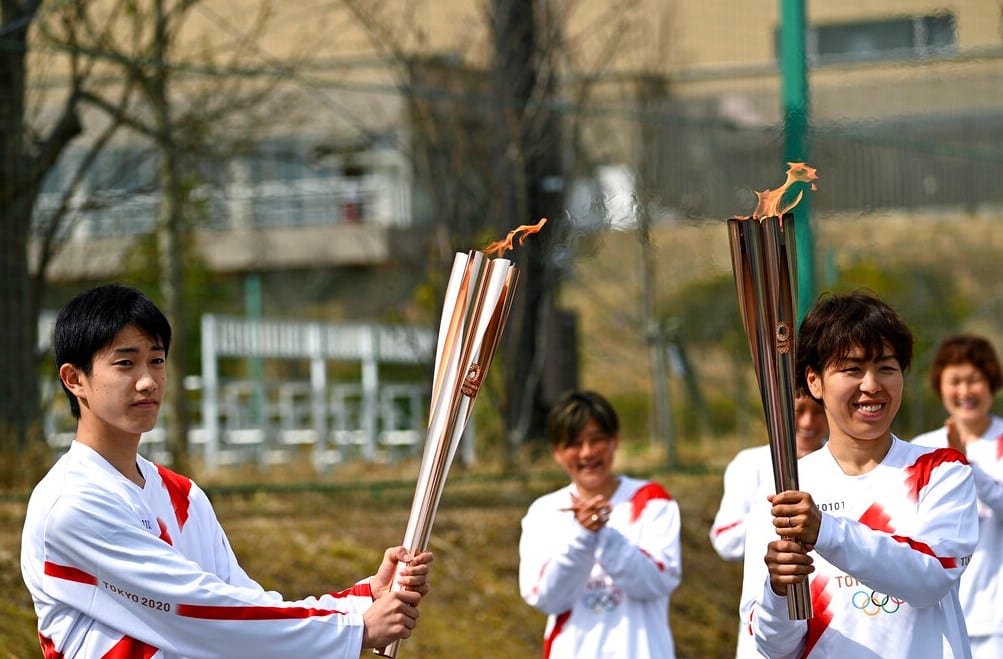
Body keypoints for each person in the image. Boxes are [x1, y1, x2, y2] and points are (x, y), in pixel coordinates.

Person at [21, 284, 433, 658]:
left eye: (157, 360)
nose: (148, 381)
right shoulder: (71, 505)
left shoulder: (182, 497)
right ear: (74, 379)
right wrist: (353, 628)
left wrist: (361, 599)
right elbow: (197, 611)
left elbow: (243, 605)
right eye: (125, 363)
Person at [739, 291, 978, 659]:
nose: (871, 385)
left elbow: (929, 578)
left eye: (886, 367)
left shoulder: (940, 472)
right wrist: (779, 589)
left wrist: (826, 531)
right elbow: (774, 647)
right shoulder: (782, 491)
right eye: (852, 369)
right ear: (814, 382)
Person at [518, 390, 682, 659]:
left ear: (615, 441)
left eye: (596, 440)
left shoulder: (652, 502)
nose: (587, 453)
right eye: (574, 443)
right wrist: (582, 537)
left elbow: (657, 581)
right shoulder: (544, 512)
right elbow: (545, 597)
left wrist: (603, 535)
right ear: (557, 452)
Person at [709, 389, 828, 658]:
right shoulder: (751, 464)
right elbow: (724, 540)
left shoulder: (843, 468)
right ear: (779, 412)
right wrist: (770, 517)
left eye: (818, 411)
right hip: (767, 622)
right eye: (799, 411)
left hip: (828, 623)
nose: (808, 423)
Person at [912, 334, 1003, 659]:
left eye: (973, 380)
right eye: (955, 381)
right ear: (941, 386)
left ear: (991, 382)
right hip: (938, 614)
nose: (964, 392)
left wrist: (965, 464)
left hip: (994, 618)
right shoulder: (924, 446)